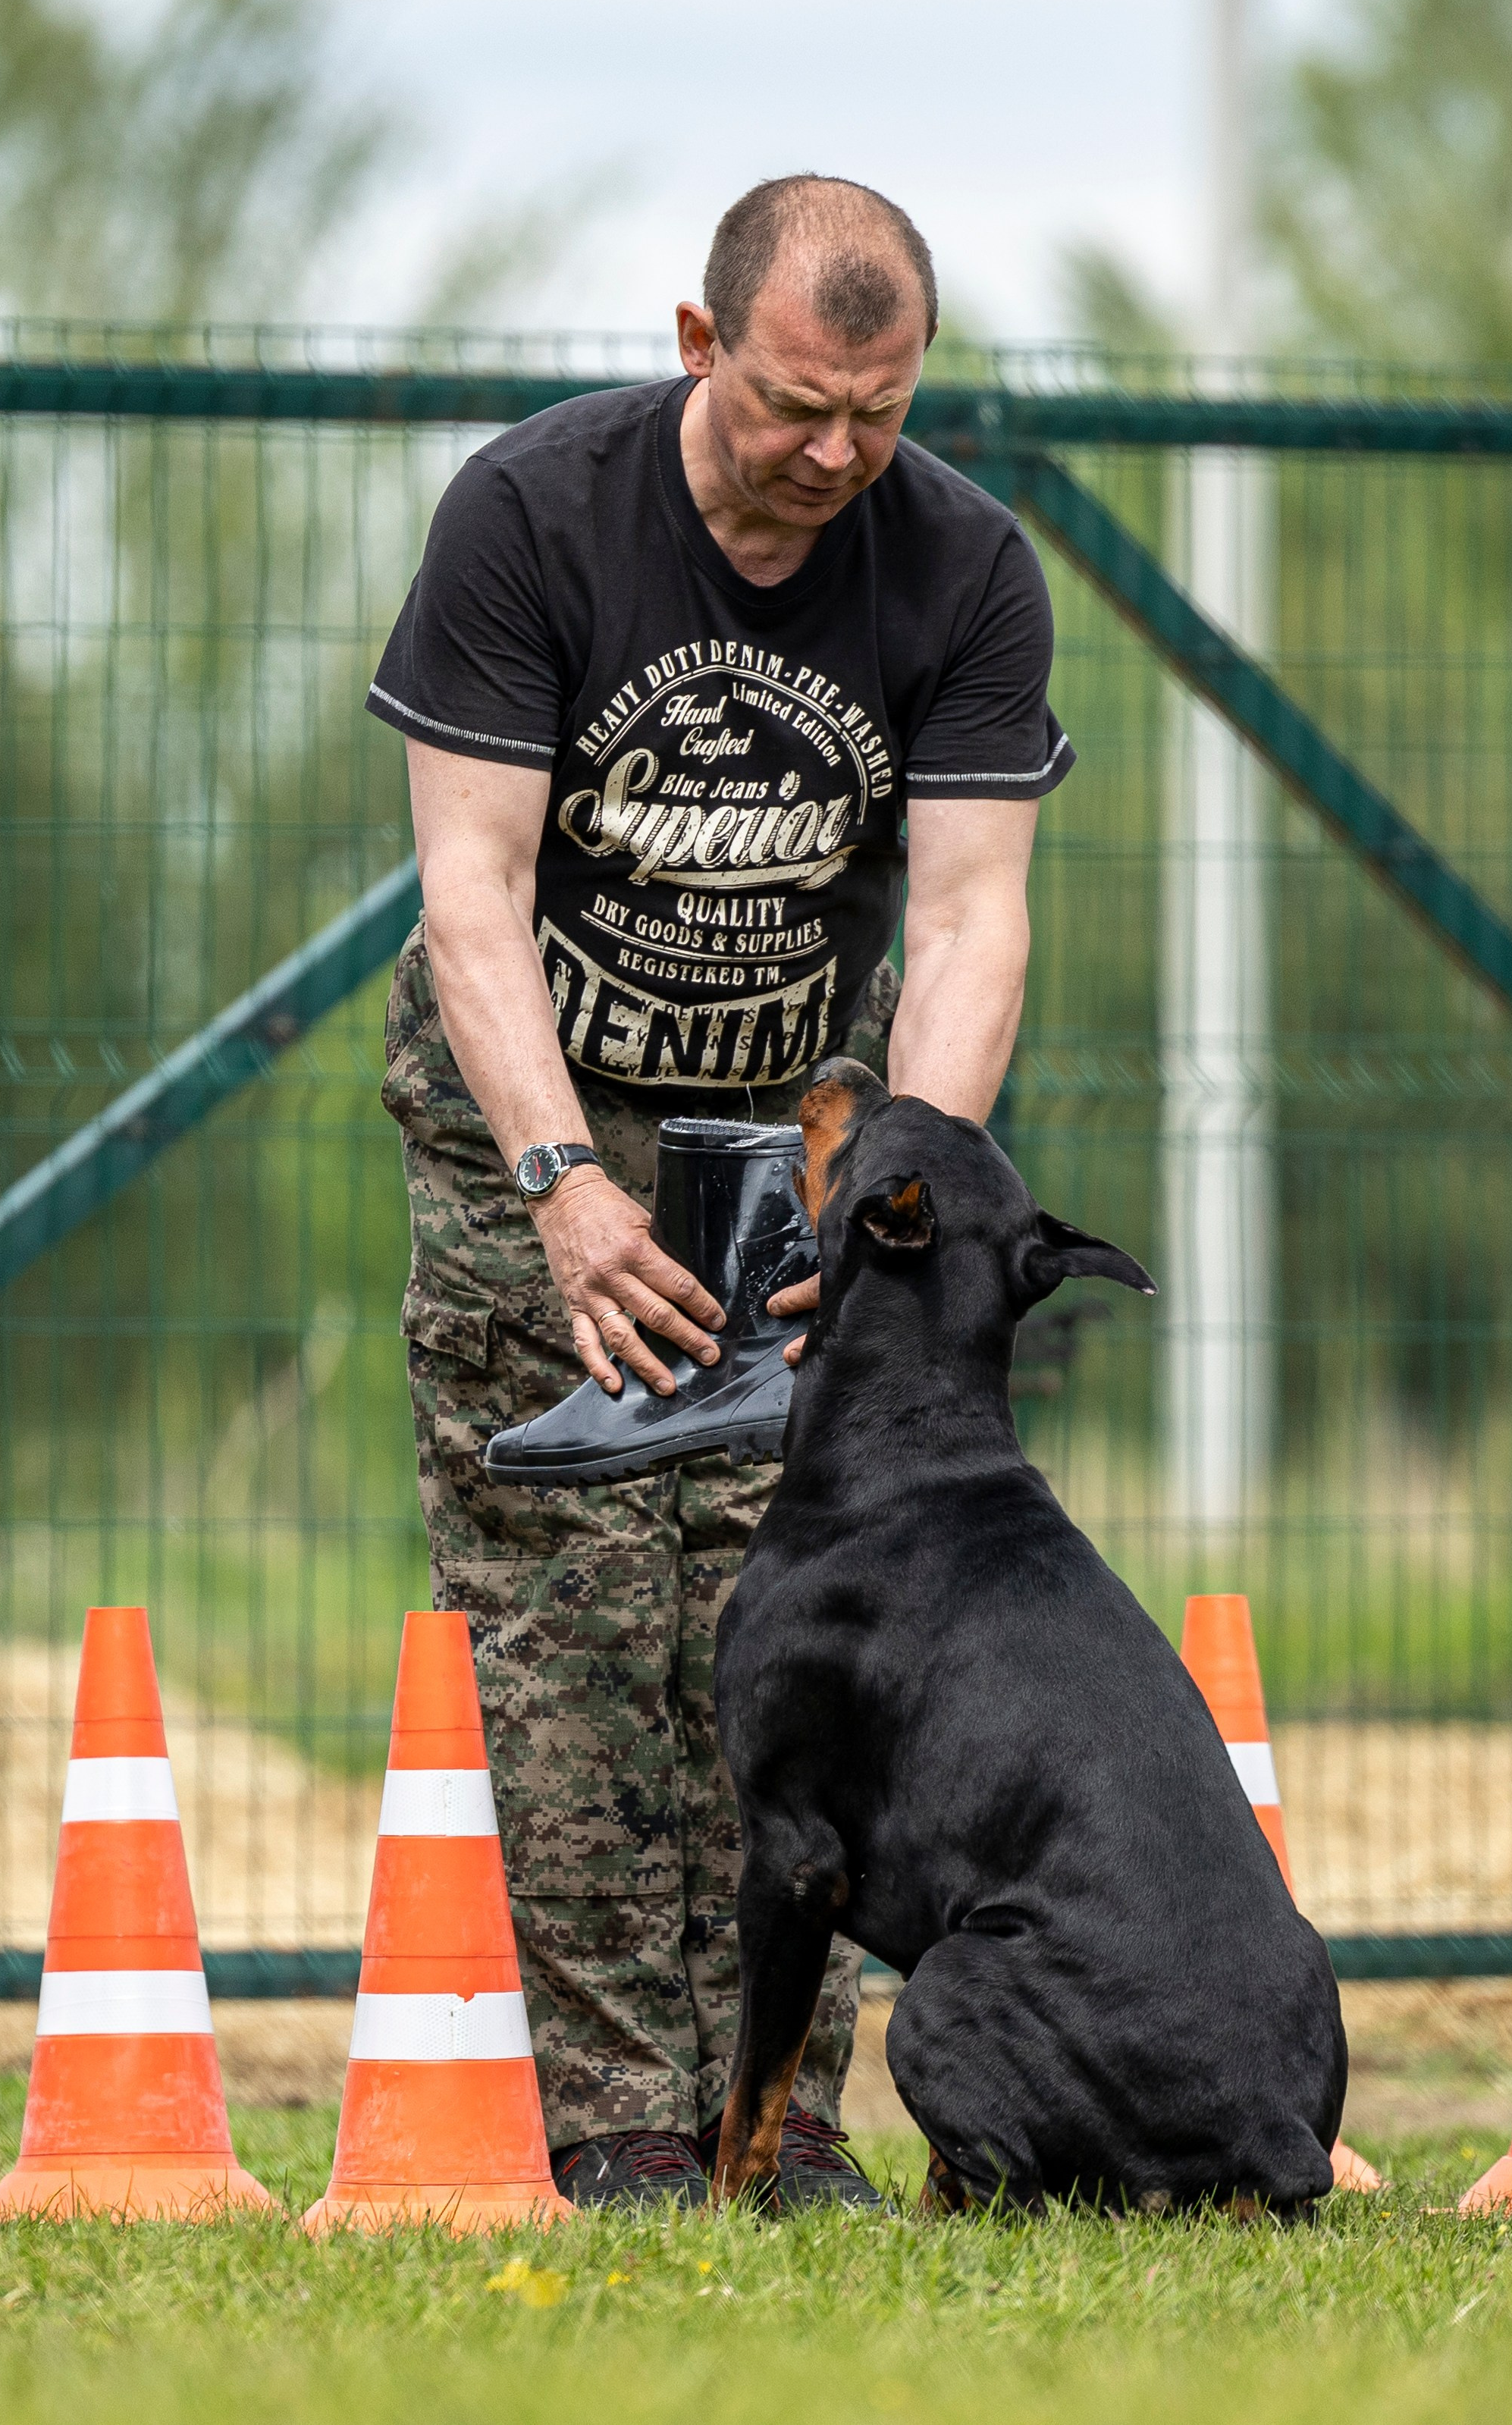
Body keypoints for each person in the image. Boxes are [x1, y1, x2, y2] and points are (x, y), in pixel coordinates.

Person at [367, 172, 1073, 2209]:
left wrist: (895, 1217)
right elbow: (475, 896)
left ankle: (792, 2125)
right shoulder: (535, 514)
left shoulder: (963, 569)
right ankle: (627, 2129)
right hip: (543, 1110)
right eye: (793, 405)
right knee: (577, 1613)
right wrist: (567, 1183)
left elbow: (969, 919)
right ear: (702, 344)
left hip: (797, 1135)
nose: (838, 452)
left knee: (809, 1622)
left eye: (880, 409)